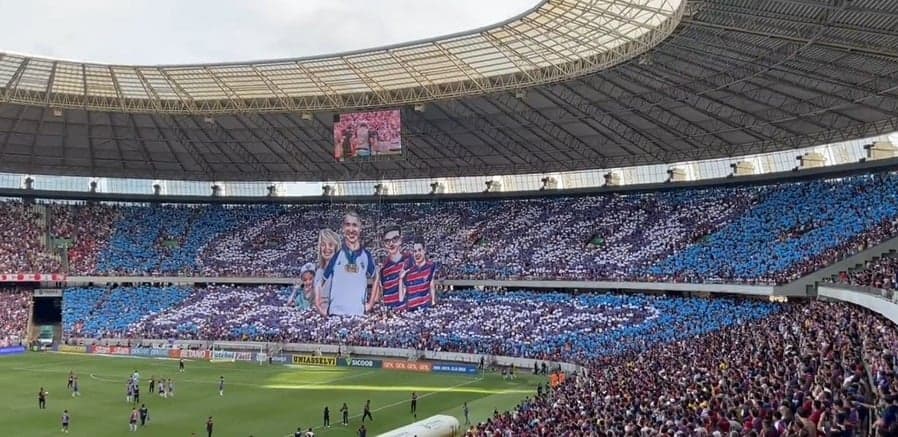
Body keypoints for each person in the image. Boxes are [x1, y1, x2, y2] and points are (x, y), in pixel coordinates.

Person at [322, 212, 376, 316]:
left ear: (360, 228)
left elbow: (376, 279)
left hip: (358, 314)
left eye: (355, 225)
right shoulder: (336, 256)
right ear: (343, 228)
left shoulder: (366, 256)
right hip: (335, 314)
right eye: (348, 225)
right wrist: (321, 306)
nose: (351, 229)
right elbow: (322, 282)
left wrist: (370, 304)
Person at [370, 226, 411, 311]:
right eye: (387, 241)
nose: (391, 244)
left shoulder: (410, 261)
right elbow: (381, 294)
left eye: (395, 239)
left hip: (407, 311)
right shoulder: (383, 269)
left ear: (400, 240)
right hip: (390, 312)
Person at [400, 241, 437, 311]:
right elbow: (403, 291)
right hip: (410, 309)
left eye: (419, 250)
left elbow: (432, 286)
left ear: (424, 251)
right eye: (415, 251)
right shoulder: (408, 271)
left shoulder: (431, 266)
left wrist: (433, 302)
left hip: (425, 308)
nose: (417, 253)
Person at [314, 229, 340, 314]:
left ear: (336, 248)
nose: (326, 248)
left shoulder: (341, 272)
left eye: (330, 245)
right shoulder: (318, 272)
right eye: (323, 245)